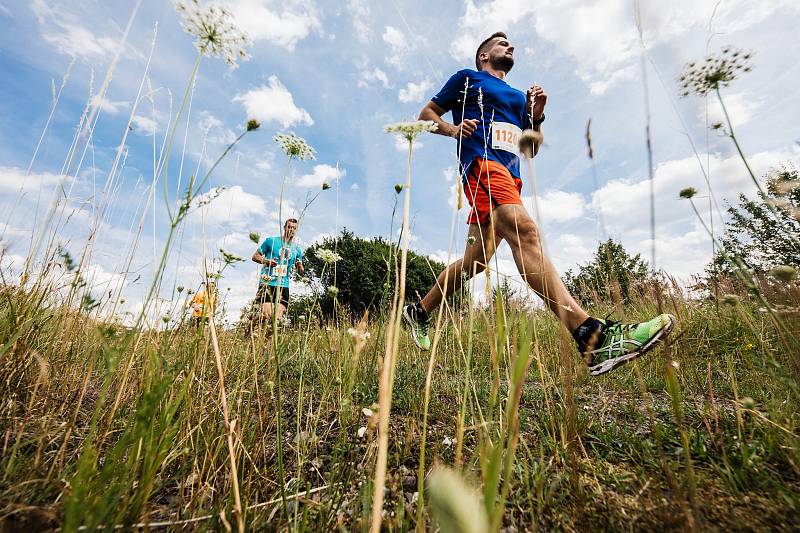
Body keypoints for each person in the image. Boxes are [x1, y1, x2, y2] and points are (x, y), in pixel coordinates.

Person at [402, 32, 675, 376]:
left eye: (510, 45)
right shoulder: (467, 79)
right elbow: (426, 114)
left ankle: (419, 311)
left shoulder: (519, 99)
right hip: (481, 163)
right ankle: (592, 337)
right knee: (526, 233)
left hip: (510, 175)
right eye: (502, 44)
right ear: (484, 55)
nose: (510, 47)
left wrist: (538, 117)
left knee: (477, 261)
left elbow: (530, 149)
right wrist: (452, 129)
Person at [251, 218, 304, 328]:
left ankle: (266, 344)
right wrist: (266, 261)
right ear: (284, 228)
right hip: (267, 283)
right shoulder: (271, 241)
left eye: (294, 228)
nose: (291, 230)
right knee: (266, 315)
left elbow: (301, 267)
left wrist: (300, 267)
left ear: (296, 230)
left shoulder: (297, 249)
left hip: (283, 285)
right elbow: (255, 256)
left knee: (276, 319)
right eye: (289, 227)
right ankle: (250, 327)